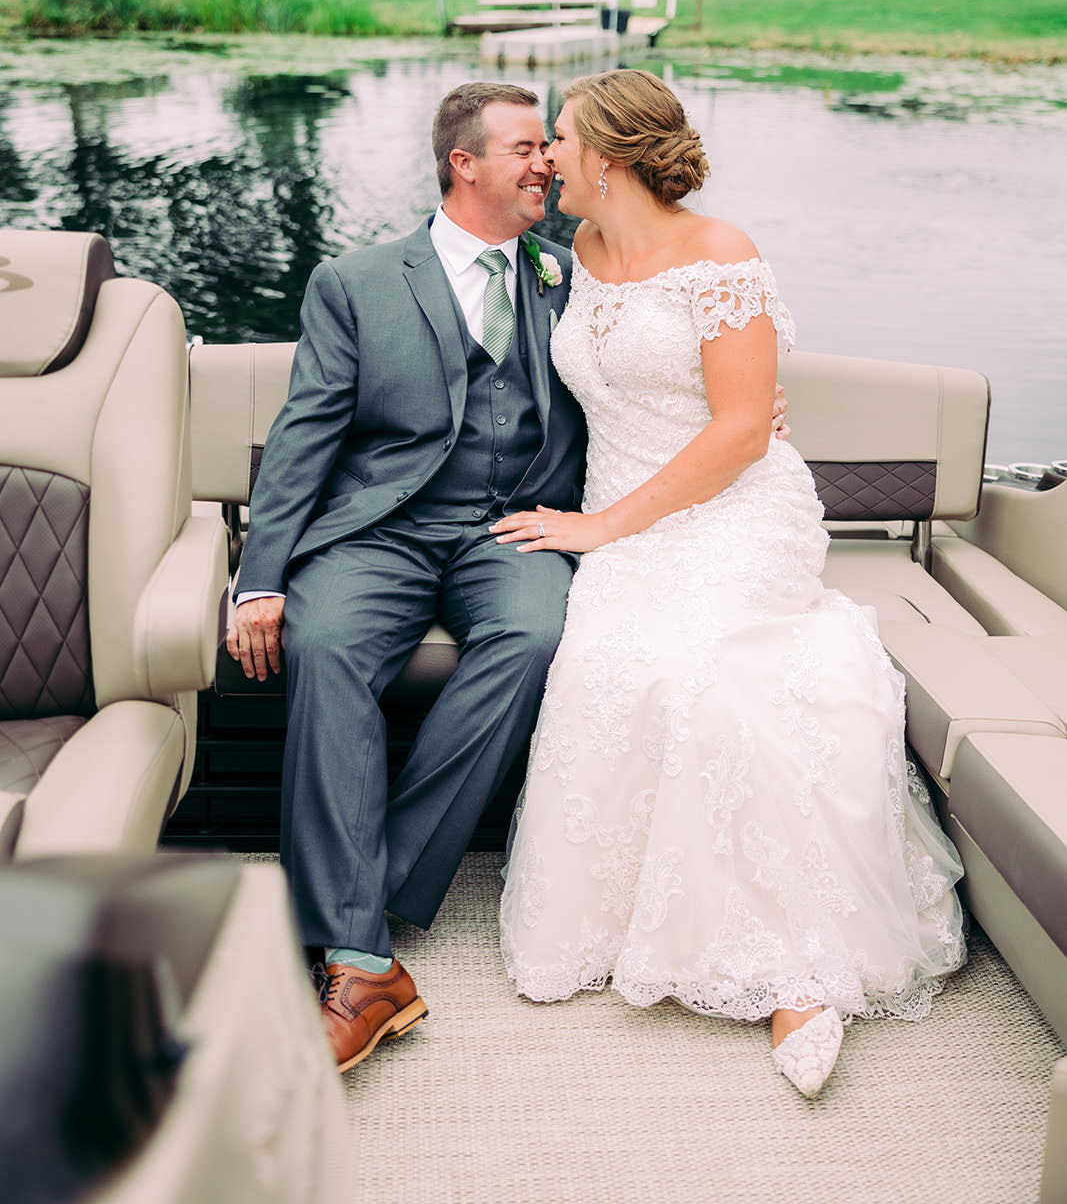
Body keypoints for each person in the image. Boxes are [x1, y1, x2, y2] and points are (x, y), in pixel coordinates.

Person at [227, 77, 793, 1075]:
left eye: (552, 145)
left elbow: (673, 345)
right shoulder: (354, 281)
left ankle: (359, 885)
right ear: (466, 164)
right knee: (321, 642)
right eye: (527, 146)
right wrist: (257, 576)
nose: (544, 162)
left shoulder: (570, 267)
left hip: (514, 528)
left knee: (535, 636)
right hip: (380, 535)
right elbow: (303, 442)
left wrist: (753, 406)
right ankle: (362, 957)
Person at [493, 68, 965, 1099]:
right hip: (621, 514)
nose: (545, 158)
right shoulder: (563, 252)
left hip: (735, 513)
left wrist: (600, 527)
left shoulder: (720, 254)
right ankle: (623, 922)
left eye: (560, 140)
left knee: (708, 671)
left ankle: (798, 964)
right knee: (610, 666)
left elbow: (742, 427)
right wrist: (596, 521)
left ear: (608, 158)